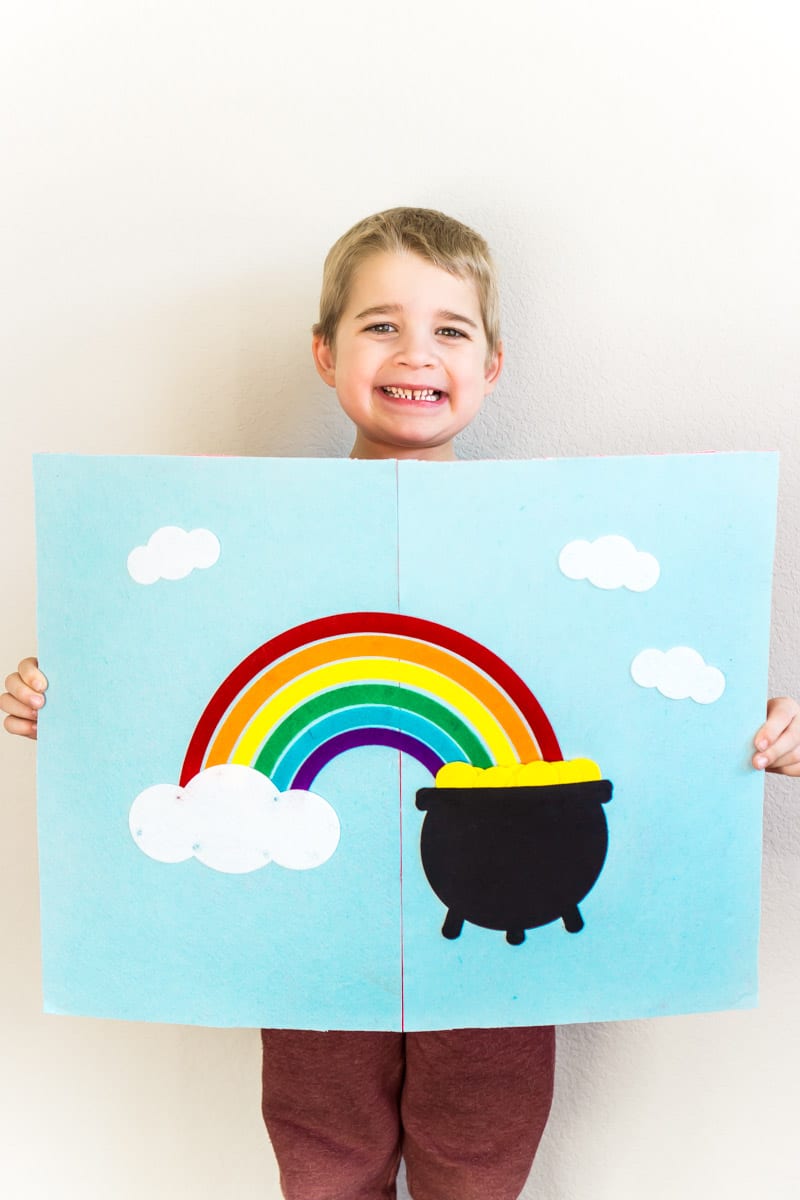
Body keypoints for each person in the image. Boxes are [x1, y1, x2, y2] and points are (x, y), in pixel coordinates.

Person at [3, 208, 800, 1200]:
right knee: (321, 1152)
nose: (414, 351)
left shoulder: (551, 547)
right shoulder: (254, 550)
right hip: (312, 947)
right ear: (324, 351)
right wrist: (71, 696)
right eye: (380, 324)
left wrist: (746, 730)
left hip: (498, 951)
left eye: (449, 330)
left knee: (481, 1149)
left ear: (493, 364)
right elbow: (167, 678)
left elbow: (632, 698)